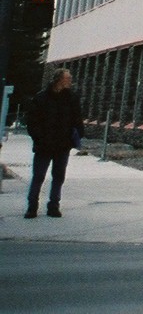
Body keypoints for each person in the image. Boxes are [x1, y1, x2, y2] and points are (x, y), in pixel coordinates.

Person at [23, 67, 84, 219]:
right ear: (59, 80)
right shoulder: (41, 98)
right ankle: (32, 207)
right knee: (38, 176)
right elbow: (32, 121)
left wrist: (76, 136)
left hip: (62, 145)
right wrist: (39, 138)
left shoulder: (71, 98)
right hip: (44, 144)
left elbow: (77, 119)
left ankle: (54, 206)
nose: (70, 81)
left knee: (58, 176)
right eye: (67, 78)